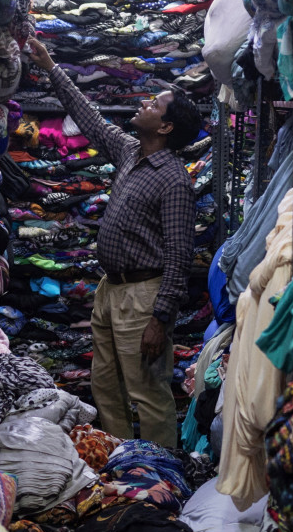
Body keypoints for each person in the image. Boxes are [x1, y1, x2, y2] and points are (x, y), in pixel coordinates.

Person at [25, 36, 201, 448]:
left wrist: (160, 318)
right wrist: (51, 67)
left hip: (143, 295)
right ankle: (119, 470)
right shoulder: (128, 152)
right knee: (105, 387)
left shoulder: (174, 179)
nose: (143, 104)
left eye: (153, 104)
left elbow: (179, 255)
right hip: (111, 288)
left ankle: (159, 473)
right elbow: (90, 120)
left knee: (147, 392)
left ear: (165, 126)